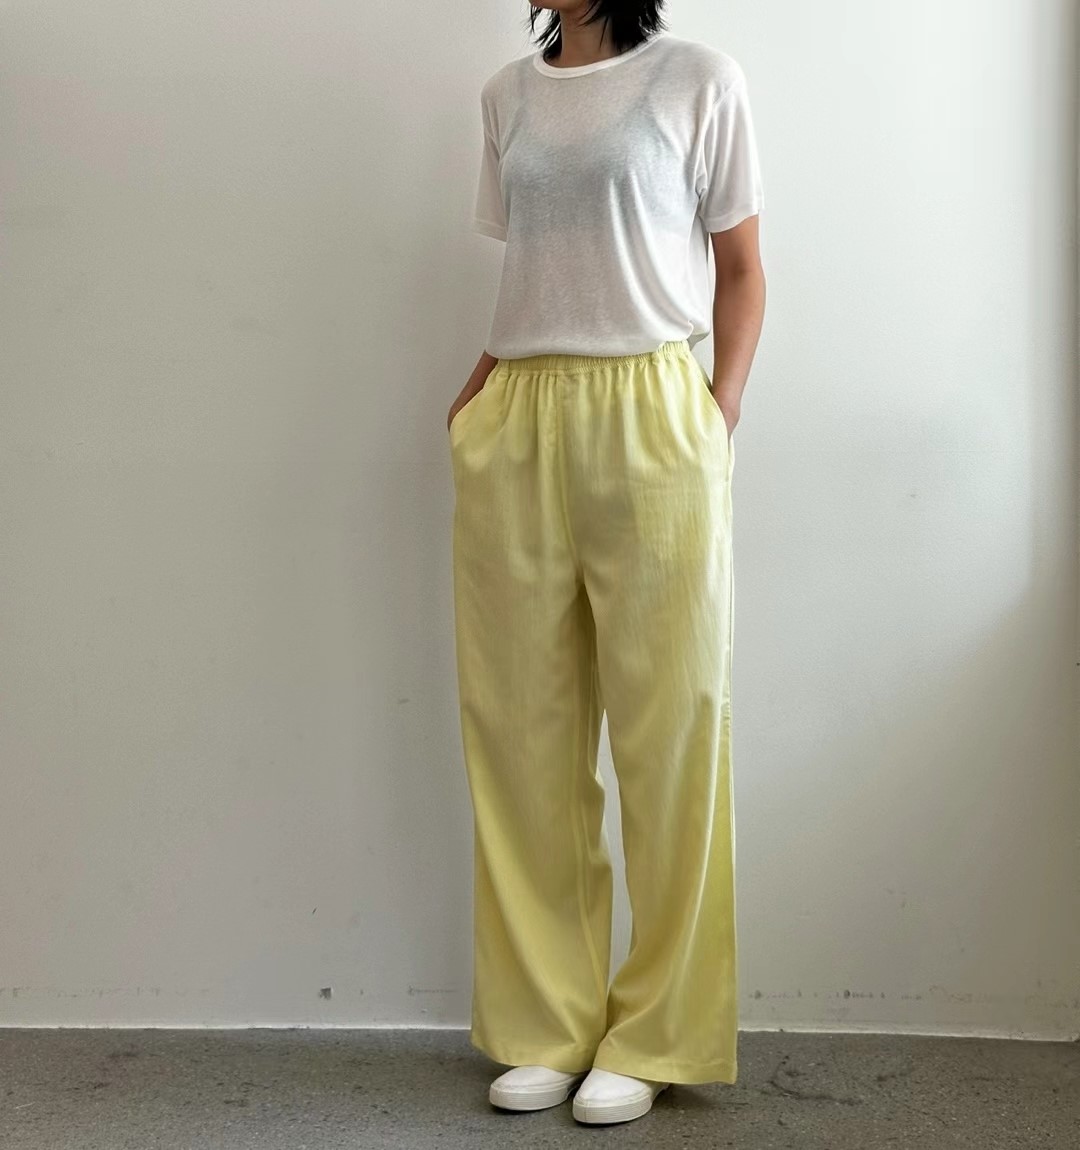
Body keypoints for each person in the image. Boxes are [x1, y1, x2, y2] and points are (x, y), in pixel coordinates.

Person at [446, 0, 766, 1126]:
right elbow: (548, 266)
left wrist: (717, 412)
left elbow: (742, 269)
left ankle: (659, 1031)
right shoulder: (507, 96)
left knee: (673, 729)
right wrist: (476, 399)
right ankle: (548, 1020)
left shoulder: (698, 79)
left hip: (653, 407)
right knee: (520, 732)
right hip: (521, 409)